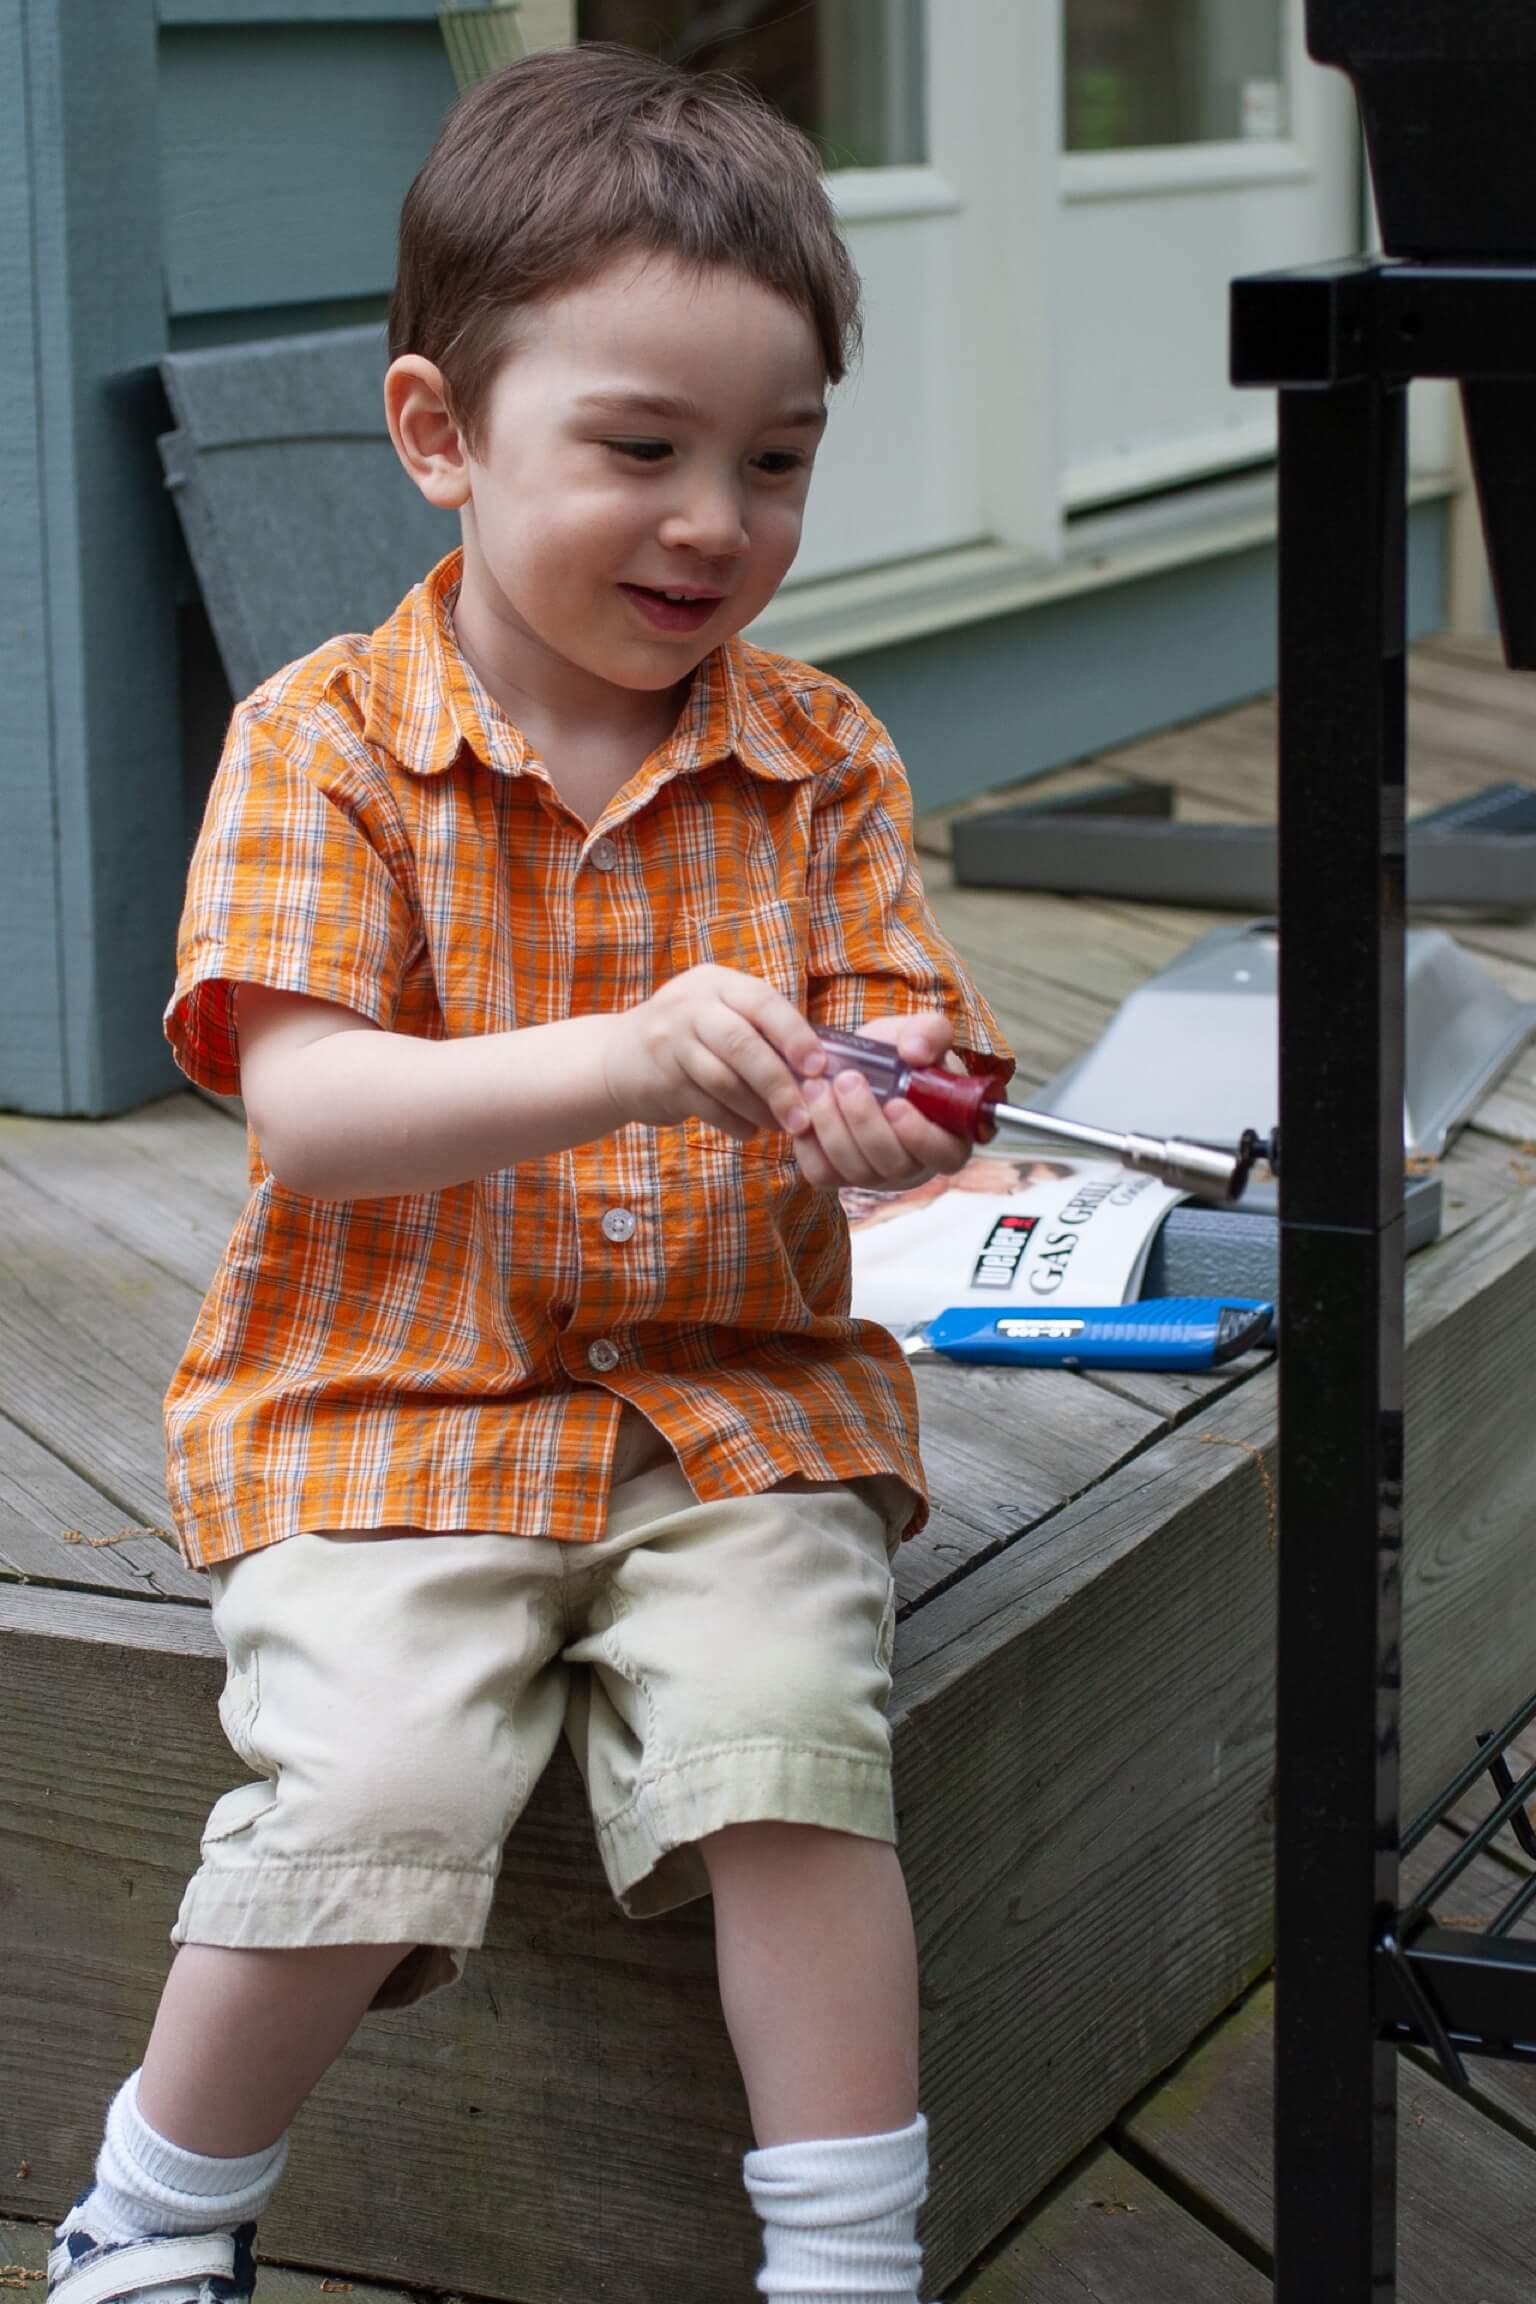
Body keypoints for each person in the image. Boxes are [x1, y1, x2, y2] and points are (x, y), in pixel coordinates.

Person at [47, 42, 1012, 2304]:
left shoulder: (817, 754)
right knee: (376, 1786)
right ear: (438, 436)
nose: (715, 523)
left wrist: (899, 1117)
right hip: (391, 1406)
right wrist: (630, 1058)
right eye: (641, 451)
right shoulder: (322, 739)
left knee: (790, 1740)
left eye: (777, 464)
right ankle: (152, 2231)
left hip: (734, 1401)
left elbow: (916, 1045)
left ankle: (850, 2261)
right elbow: (308, 1109)